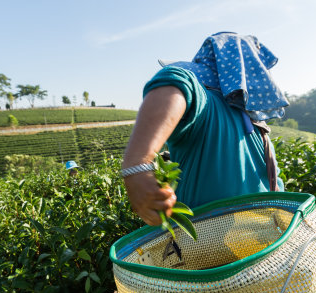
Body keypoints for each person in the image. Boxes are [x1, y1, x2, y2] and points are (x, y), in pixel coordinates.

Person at [121, 32, 289, 227]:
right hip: (211, 248)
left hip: (261, 242)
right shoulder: (207, 104)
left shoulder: (257, 125)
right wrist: (137, 166)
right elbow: (174, 82)